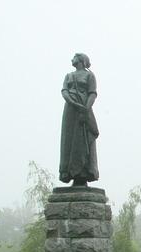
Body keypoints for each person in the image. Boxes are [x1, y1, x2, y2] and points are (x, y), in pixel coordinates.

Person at [59, 53, 99, 186]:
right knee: (69, 141)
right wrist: (72, 103)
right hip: (70, 110)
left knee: (82, 141)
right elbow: (64, 91)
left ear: (81, 60)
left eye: (74, 57)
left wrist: (85, 109)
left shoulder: (89, 75)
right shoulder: (68, 76)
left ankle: (84, 173)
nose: (72, 59)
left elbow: (92, 93)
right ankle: (69, 172)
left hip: (84, 108)